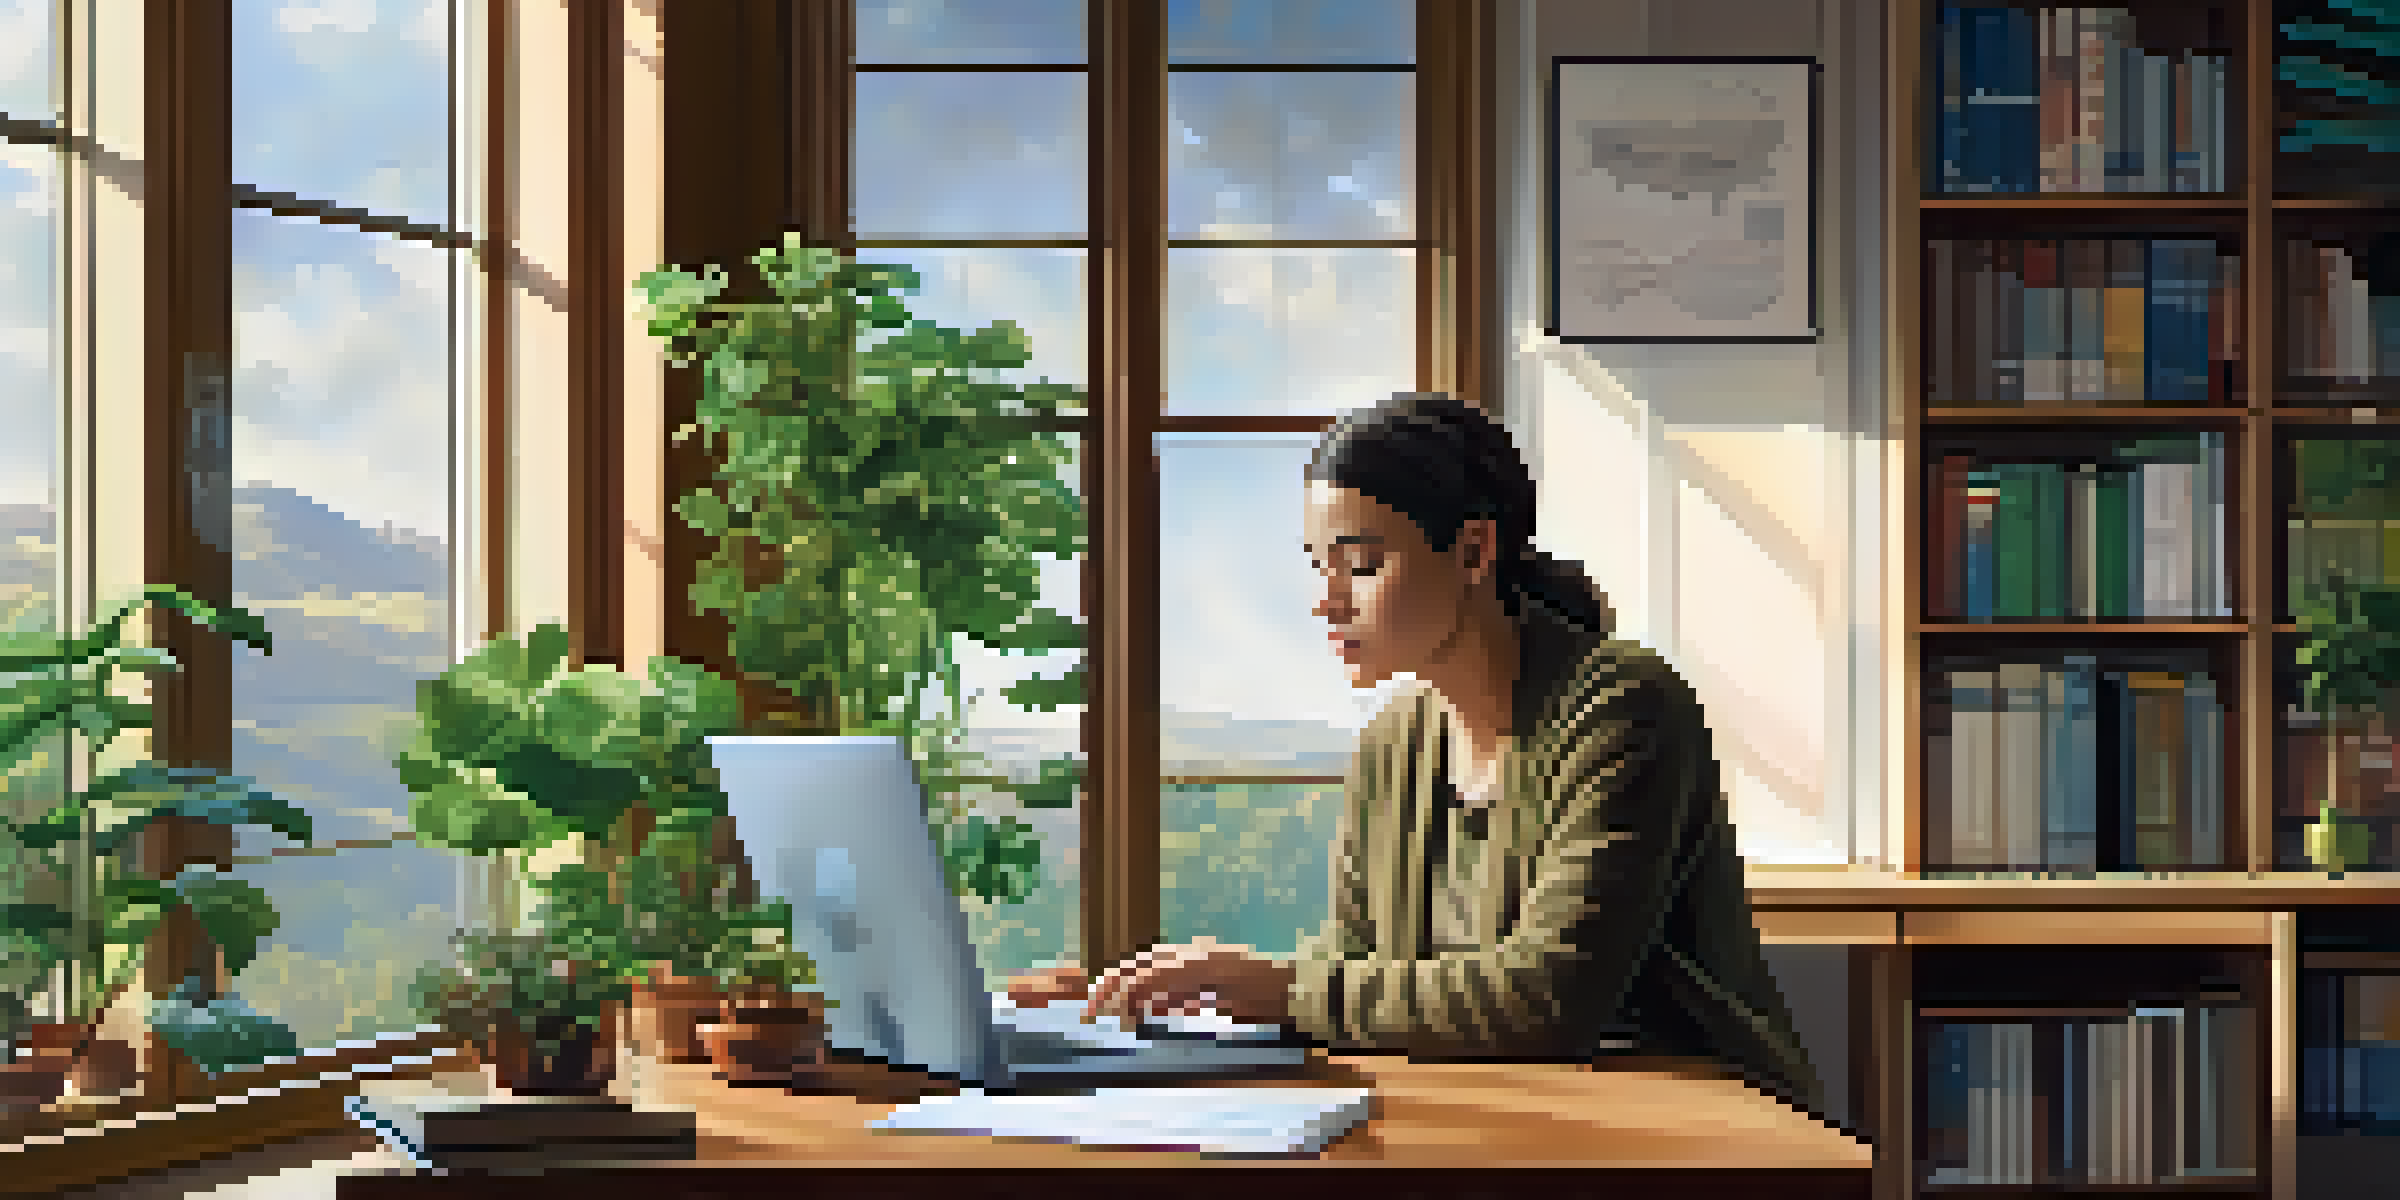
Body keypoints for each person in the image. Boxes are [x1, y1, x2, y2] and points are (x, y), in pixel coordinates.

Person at [1007, 391, 1824, 1114]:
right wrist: (1158, 997)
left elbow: (1547, 998)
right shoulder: (1394, 742)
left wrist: (1280, 987)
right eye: (1319, 565)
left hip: (1686, 1122)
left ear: (1473, 553)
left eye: (1361, 564)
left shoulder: (1622, 710)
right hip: (1511, 1107)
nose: (1326, 600)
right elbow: (1352, 969)